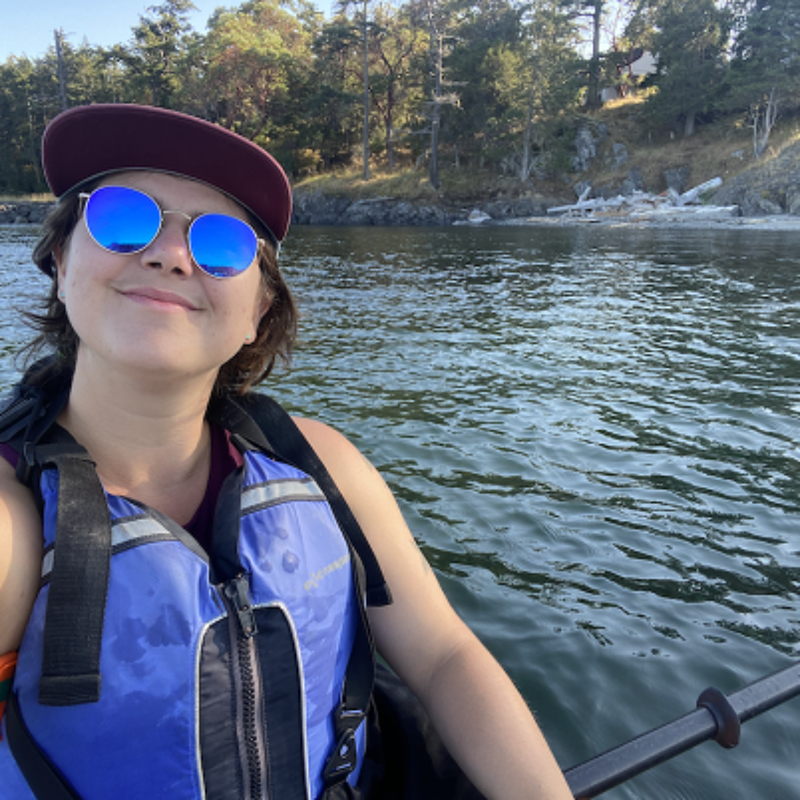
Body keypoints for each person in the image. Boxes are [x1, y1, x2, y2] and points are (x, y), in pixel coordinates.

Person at [0, 104, 573, 800]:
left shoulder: (319, 462)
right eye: (123, 217)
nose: (170, 254)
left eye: (221, 243)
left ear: (258, 312)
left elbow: (445, 657)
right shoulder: (14, 517)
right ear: (61, 263)